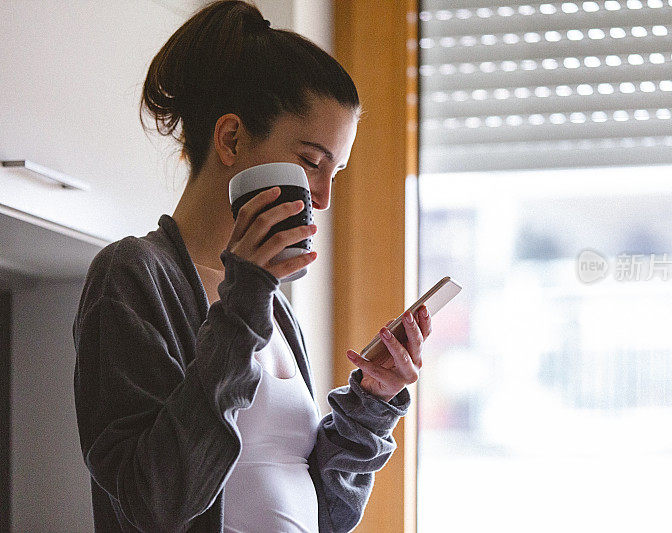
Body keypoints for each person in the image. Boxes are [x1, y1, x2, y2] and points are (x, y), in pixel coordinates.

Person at [71, 1, 431, 531]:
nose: (323, 197)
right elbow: (156, 500)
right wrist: (244, 302)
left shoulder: (274, 306)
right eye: (312, 162)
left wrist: (372, 401)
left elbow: (324, 514)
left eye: (337, 171)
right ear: (232, 139)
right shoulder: (133, 275)